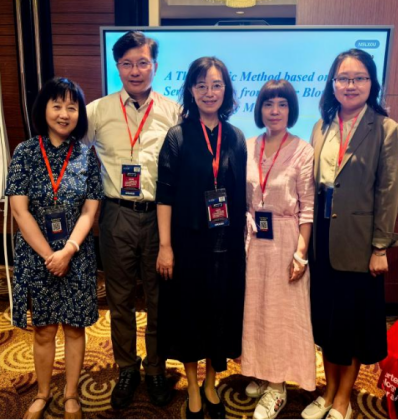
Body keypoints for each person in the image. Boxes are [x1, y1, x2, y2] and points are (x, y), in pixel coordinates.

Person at [302, 49, 398, 420]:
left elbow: (389, 193)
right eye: (343, 78)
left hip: (360, 243)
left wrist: (380, 247)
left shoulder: (387, 130)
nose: (350, 85)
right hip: (323, 238)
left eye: (359, 78)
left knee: (353, 324)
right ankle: (328, 390)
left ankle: (344, 397)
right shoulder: (321, 126)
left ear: (372, 83)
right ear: (333, 84)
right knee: (327, 321)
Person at [84, 31, 179, 409]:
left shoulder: (174, 111)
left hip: (159, 217)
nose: (135, 71)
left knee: (159, 298)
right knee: (119, 299)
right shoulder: (97, 110)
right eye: (127, 64)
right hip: (116, 215)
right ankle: (127, 367)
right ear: (117, 67)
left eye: (142, 63)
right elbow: (75, 155)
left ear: (155, 66)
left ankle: (155, 367)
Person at [6, 77, 103, 420]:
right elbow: (20, 211)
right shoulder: (25, 152)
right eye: (57, 105)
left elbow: (90, 210)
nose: (64, 114)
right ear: (44, 109)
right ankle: (43, 393)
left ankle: (72, 393)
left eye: (72, 107)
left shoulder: (86, 156)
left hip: (77, 255)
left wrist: (69, 250)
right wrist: (50, 255)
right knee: (44, 328)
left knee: (75, 327)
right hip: (38, 256)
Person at [155, 56, 247, 420]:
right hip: (187, 244)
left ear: (227, 90)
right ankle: (193, 385)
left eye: (217, 85)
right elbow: (164, 195)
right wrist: (165, 246)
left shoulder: (236, 137)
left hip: (226, 246)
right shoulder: (177, 136)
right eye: (202, 85)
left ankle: (211, 382)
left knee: (220, 313)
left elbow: (240, 196)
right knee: (189, 314)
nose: (210, 92)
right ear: (191, 90)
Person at [241, 79, 316, 420]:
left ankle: (278, 386)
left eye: (282, 104)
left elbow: (308, 208)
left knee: (282, 313)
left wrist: (301, 253)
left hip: (286, 239)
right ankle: (262, 370)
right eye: (268, 104)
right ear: (260, 109)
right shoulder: (248, 145)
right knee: (257, 309)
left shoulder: (303, 150)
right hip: (254, 239)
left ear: (291, 109)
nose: (275, 111)